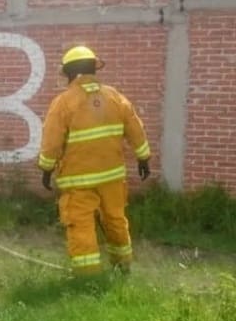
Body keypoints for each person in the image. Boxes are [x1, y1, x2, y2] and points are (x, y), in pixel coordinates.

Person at [37, 46, 151, 275]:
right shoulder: (114, 97)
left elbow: (52, 143)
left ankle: (87, 278)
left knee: (81, 225)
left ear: (69, 73)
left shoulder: (63, 102)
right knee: (115, 219)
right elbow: (135, 129)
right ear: (93, 69)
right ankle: (123, 266)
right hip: (112, 177)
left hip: (78, 181)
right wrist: (143, 158)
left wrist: (46, 169)